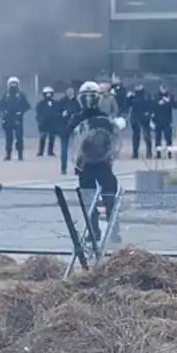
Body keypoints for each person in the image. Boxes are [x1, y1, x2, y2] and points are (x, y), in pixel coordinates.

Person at [68, 81, 126, 242]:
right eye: (85, 97)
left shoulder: (104, 118)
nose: (89, 101)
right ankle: (93, 231)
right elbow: (71, 137)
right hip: (85, 164)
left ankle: (114, 230)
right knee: (88, 200)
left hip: (102, 162)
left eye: (92, 97)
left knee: (110, 197)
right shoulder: (76, 118)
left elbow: (114, 136)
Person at [0, 76, 31, 161]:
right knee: (8, 138)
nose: (13, 85)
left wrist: (21, 111)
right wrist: (4, 111)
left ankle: (20, 155)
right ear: (8, 84)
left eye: (15, 83)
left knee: (19, 137)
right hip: (8, 118)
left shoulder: (21, 95)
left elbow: (27, 106)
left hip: (17, 118)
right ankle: (8, 155)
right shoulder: (5, 94)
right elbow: (1, 105)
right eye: (12, 83)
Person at [58, 87, 81, 175]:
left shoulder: (77, 102)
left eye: (71, 92)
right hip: (64, 129)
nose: (70, 93)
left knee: (76, 150)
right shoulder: (62, 102)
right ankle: (63, 168)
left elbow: (79, 114)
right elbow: (57, 114)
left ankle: (77, 168)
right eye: (68, 92)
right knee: (64, 150)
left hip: (75, 129)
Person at [127, 84, 154, 159]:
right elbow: (128, 105)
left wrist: (149, 113)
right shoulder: (132, 95)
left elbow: (151, 105)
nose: (137, 87)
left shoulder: (146, 95)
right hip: (135, 117)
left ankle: (149, 152)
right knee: (136, 136)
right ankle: (135, 153)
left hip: (145, 117)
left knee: (147, 136)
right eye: (136, 86)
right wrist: (128, 98)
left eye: (138, 86)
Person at [153, 84, 177, 158]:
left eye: (165, 88)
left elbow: (176, 106)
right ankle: (158, 154)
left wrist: (168, 101)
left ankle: (169, 153)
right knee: (158, 138)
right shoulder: (156, 96)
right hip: (157, 120)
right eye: (162, 88)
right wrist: (158, 104)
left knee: (168, 138)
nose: (163, 90)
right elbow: (153, 106)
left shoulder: (170, 96)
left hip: (167, 120)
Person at [35, 86, 59, 157]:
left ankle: (50, 151)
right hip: (44, 122)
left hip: (52, 122)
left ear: (52, 94)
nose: (48, 95)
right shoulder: (41, 103)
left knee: (52, 137)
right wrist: (40, 120)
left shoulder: (55, 103)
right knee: (42, 137)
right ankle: (41, 151)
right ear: (44, 94)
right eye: (47, 93)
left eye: (50, 93)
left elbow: (58, 111)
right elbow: (38, 112)